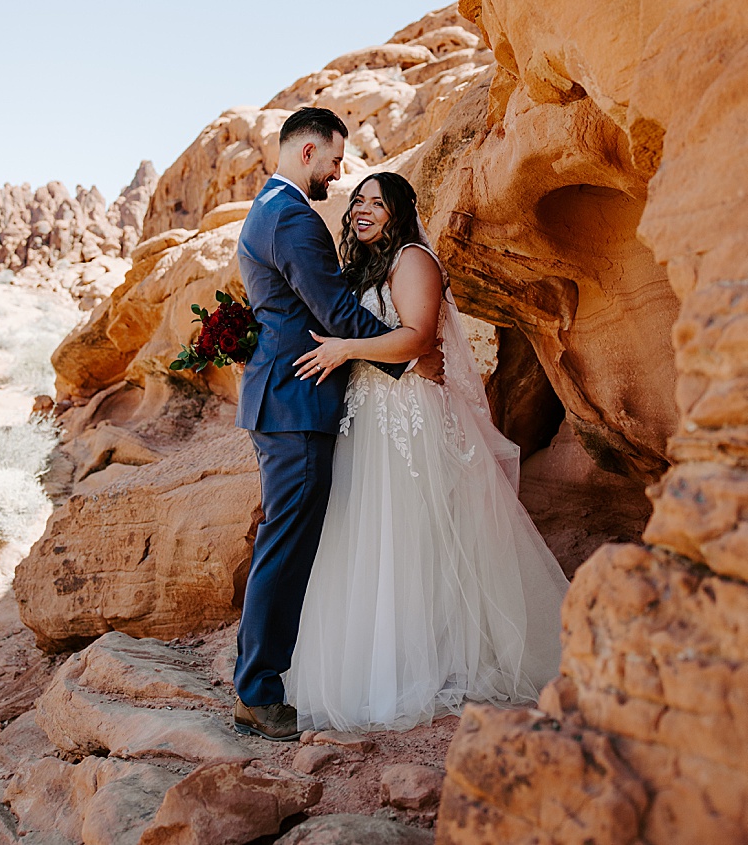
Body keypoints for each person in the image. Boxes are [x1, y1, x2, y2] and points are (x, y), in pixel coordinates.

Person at [286, 171, 569, 731]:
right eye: (358, 202)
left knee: (413, 534)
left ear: (399, 211)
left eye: (376, 203)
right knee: (366, 532)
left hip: (407, 413)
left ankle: (428, 665)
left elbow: (417, 338)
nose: (363, 210)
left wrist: (346, 349)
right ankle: (374, 666)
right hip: (368, 411)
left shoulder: (412, 258)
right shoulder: (367, 266)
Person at [232, 109, 443, 742]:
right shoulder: (292, 215)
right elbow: (333, 309)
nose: (338, 172)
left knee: (287, 544)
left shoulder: (271, 209)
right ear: (306, 152)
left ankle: (258, 680)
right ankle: (259, 691)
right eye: (333, 160)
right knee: (285, 546)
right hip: (297, 405)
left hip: (296, 404)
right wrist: (409, 355)